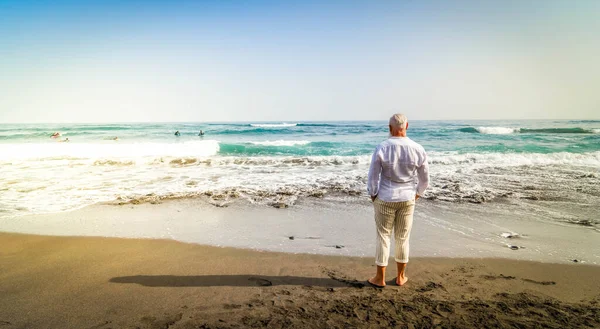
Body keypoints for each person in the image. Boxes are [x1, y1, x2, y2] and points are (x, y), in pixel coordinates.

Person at [366, 113, 429, 288]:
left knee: (383, 237)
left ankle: (380, 278)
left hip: (385, 197)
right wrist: (417, 194)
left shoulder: (382, 147)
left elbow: (373, 175)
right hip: (407, 197)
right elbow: (424, 180)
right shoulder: (417, 148)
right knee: (403, 238)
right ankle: (401, 277)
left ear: (389, 128)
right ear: (407, 126)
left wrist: (373, 194)